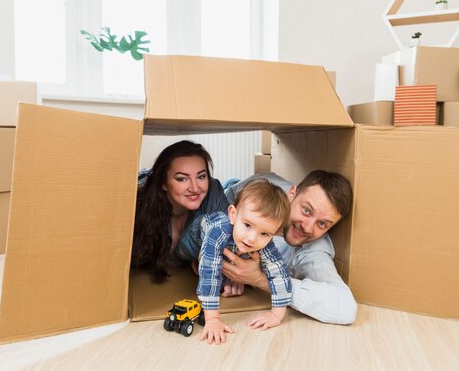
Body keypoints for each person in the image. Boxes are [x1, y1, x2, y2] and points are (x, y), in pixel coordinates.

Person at [221, 170, 357, 325]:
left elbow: (346, 309)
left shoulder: (313, 251)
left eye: (322, 223)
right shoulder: (265, 188)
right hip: (231, 187)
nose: (307, 227)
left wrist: (258, 279)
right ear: (291, 194)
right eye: (306, 210)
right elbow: (222, 203)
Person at [195, 179, 292, 344]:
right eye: (247, 225)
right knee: (204, 262)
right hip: (195, 236)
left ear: (273, 233)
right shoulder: (217, 231)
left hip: (230, 247)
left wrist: (276, 315)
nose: (253, 238)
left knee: (226, 267)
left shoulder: (263, 242)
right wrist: (212, 319)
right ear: (233, 215)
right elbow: (210, 271)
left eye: (264, 233)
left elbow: (279, 272)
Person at [131, 140, 230, 283]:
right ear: (164, 183)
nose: (195, 188)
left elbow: (232, 246)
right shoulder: (138, 208)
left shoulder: (213, 193)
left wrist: (233, 277)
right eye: (182, 179)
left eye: (201, 176)